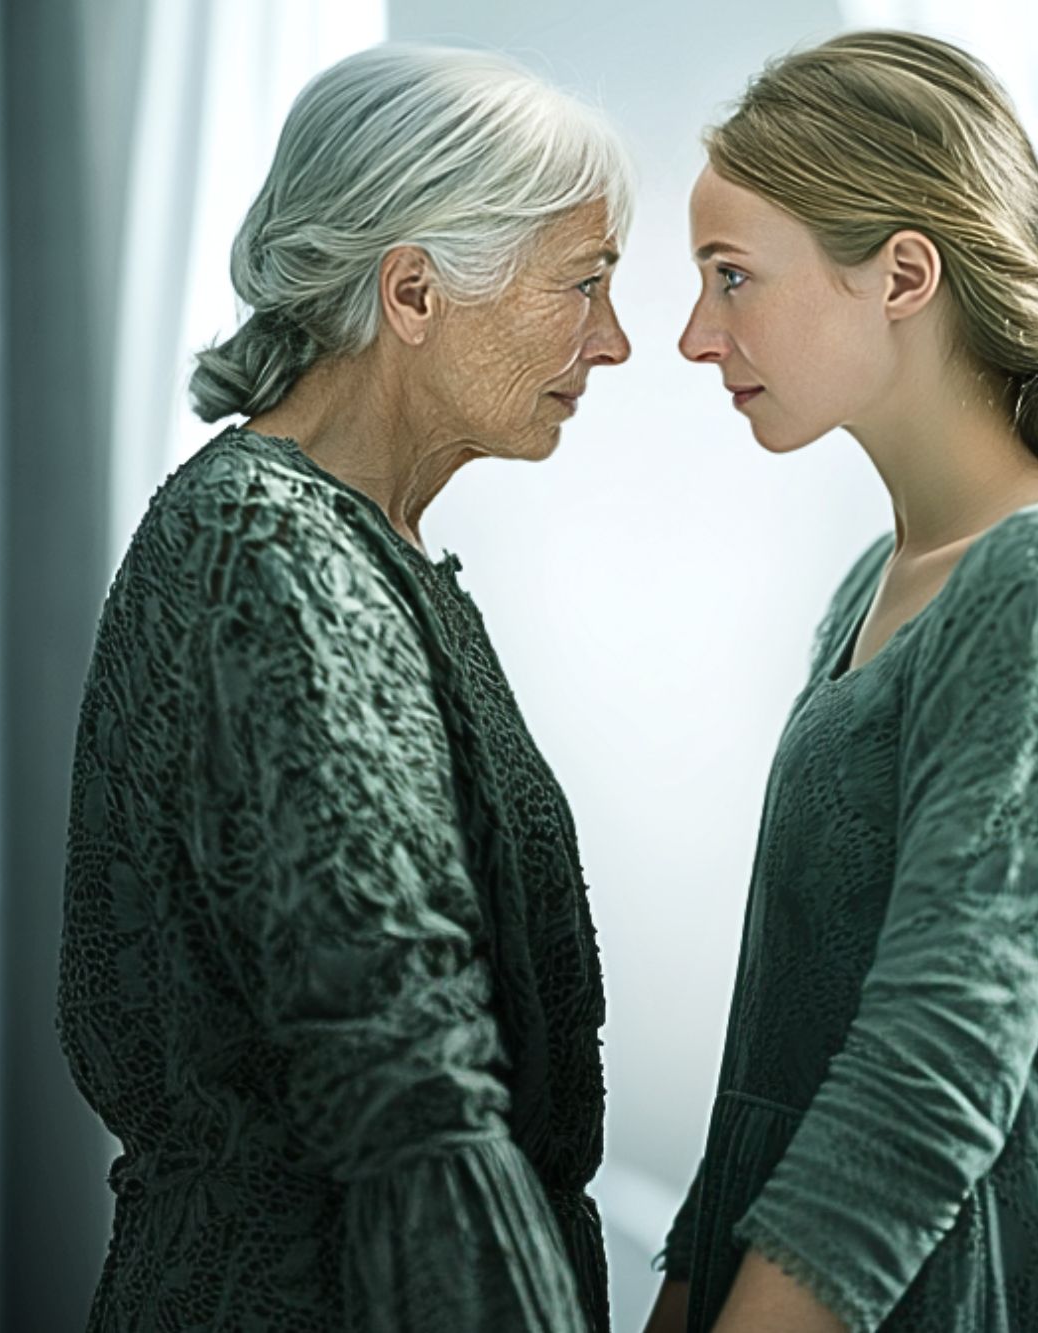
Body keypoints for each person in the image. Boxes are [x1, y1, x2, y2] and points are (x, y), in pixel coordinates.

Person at [645, 29, 1038, 1333]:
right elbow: (773, 1067)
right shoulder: (875, 587)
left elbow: (926, 1079)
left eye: (732, 276)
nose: (697, 335)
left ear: (903, 275)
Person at [56, 43, 631, 1332]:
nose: (617, 341)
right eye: (584, 284)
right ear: (414, 290)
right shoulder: (273, 547)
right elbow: (406, 1068)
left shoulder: (368, 547)